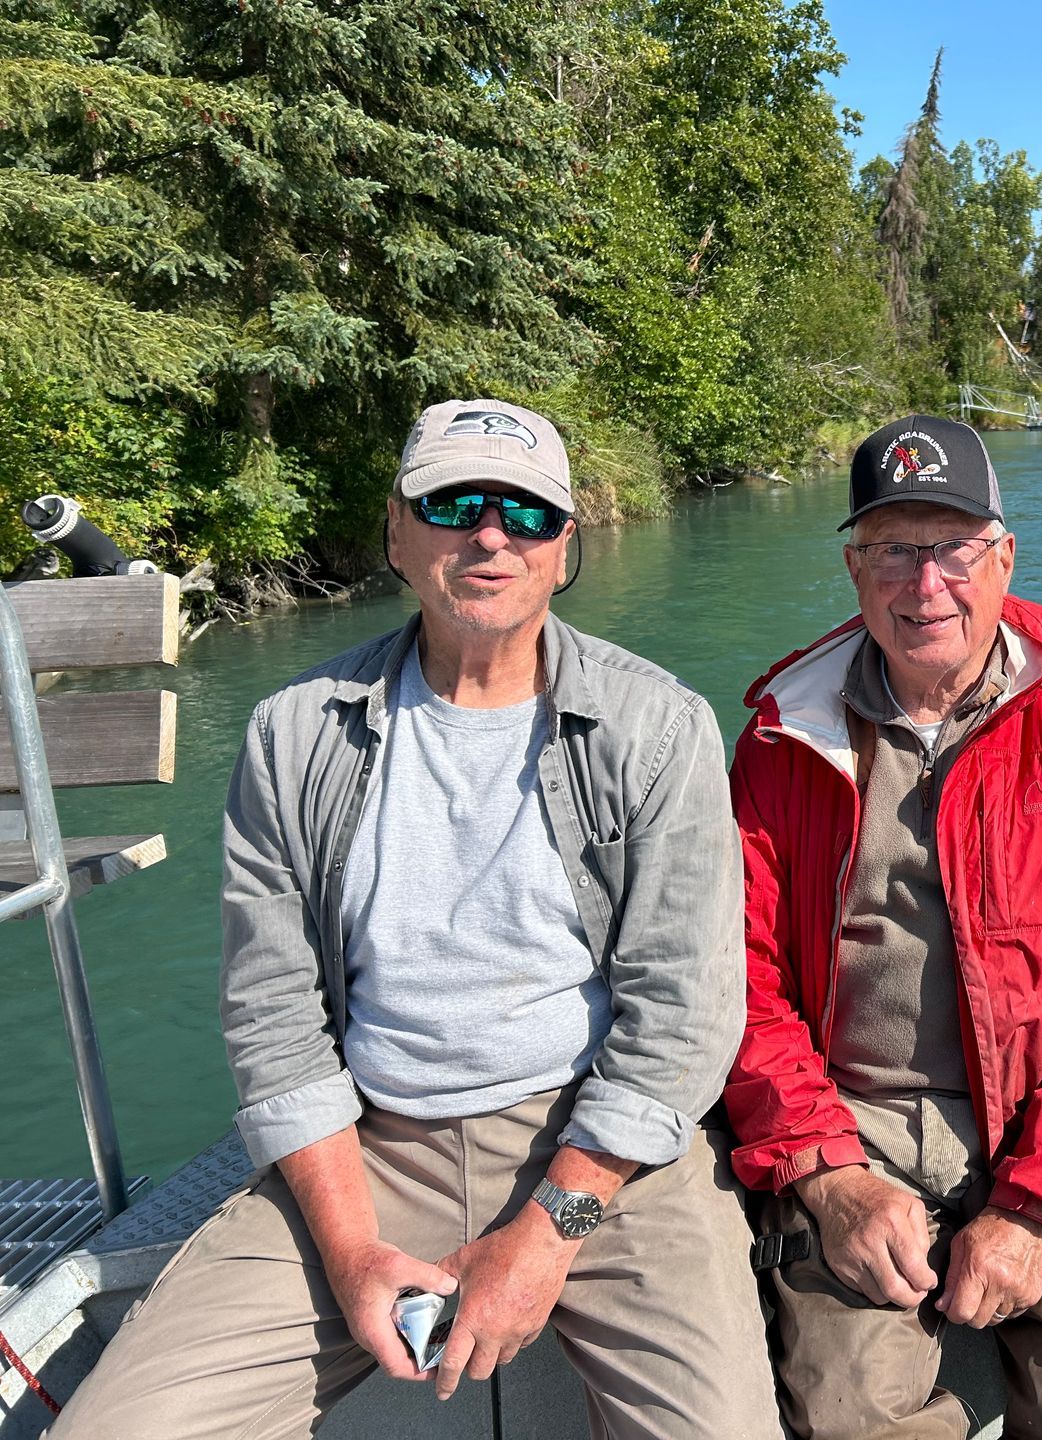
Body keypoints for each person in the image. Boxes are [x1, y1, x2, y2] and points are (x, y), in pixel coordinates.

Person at [54, 400, 779, 1439]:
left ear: (564, 544)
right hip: (368, 1146)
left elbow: (681, 1019)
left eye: (525, 512)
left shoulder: (656, 727)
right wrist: (350, 1253)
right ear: (397, 531)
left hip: (603, 1156)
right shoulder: (292, 733)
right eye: (453, 504)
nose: (490, 535)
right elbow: (272, 1013)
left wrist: (549, 1231)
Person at [724, 415, 1042, 1440]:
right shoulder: (782, 735)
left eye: (953, 547)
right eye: (894, 549)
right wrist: (829, 1176)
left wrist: (1035, 1207)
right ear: (855, 569)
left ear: (1005, 558)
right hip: (855, 1127)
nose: (925, 582)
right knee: (854, 1420)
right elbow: (739, 981)